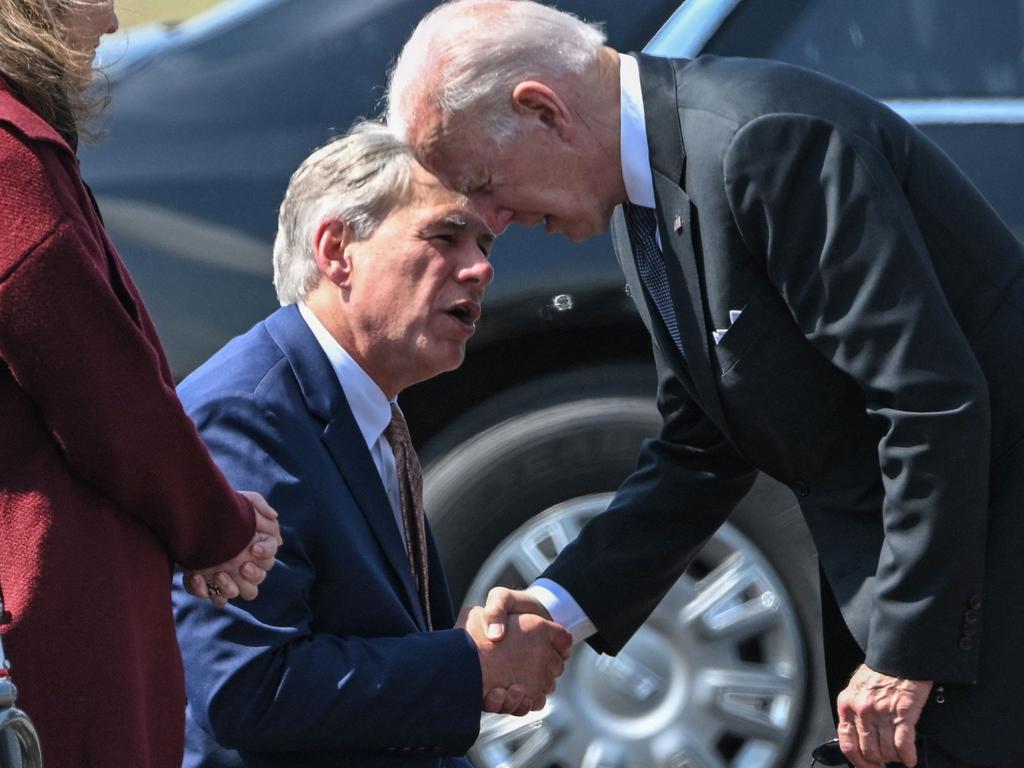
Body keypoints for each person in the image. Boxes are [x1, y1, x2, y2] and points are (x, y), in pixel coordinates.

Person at [385, 2, 1024, 767]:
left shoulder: (762, 143)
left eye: (483, 183)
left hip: (984, 573)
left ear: (541, 110)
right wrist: (555, 608)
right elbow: (703, 446)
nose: (494, 221)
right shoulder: (640, 197)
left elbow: (928, 401)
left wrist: (906, 650)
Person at [171, 122, 572, 767]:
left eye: (484, 242)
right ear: (336, 251)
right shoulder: (249, 415)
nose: (481, 267)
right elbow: (246, 688)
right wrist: (470, 665)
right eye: (445, 236)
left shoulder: (364, 405)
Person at [0, 2, 283, 766]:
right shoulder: (10, 159)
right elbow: (109, 400)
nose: (114, 22)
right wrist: (217, 528)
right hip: (45, 621)